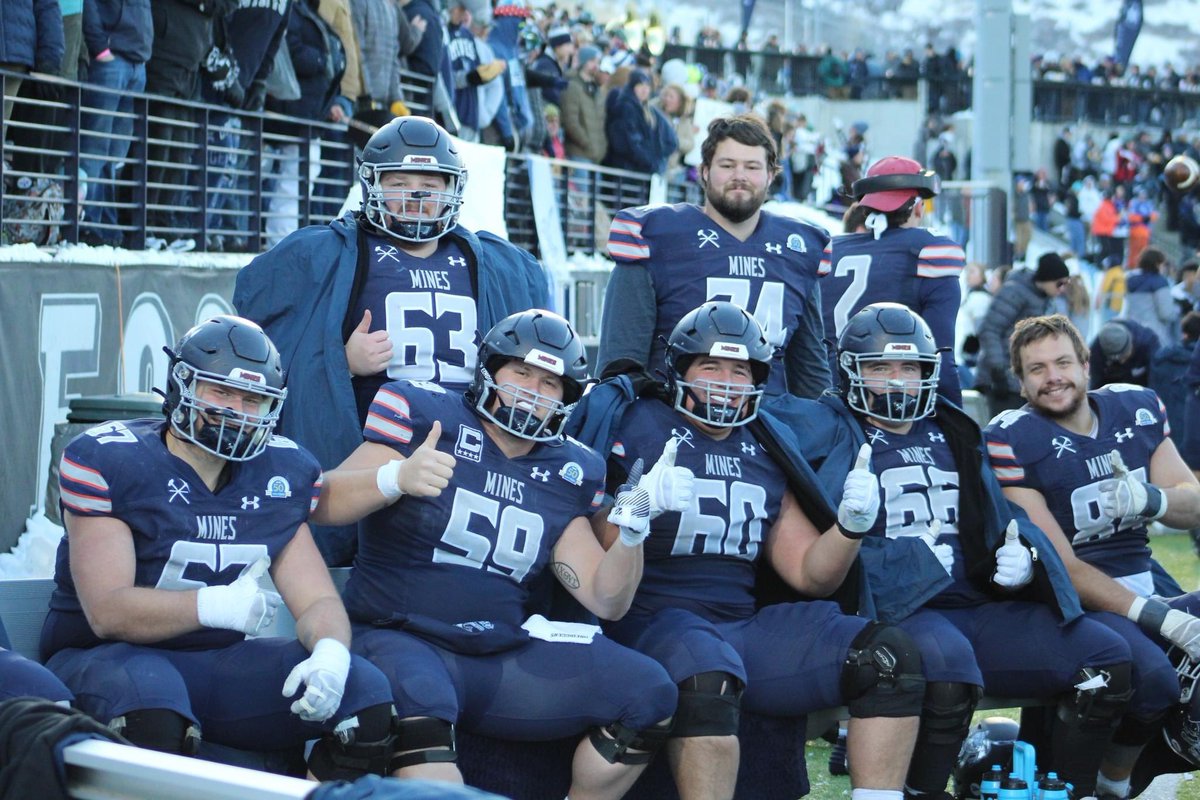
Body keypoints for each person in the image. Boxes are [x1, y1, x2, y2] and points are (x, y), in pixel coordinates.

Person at [771, 302, 1138, 799]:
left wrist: (1023, 561)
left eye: (910, 367)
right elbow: (747, 414)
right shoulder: (825, 424)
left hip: (973, 603)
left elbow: (1002, 521)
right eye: (880, 367)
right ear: (852, 371)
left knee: (1106, 658)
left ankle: (1072, 790)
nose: (897, 381)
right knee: (949, 663)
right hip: (895, 611)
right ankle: (922, 790)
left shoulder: (954, 429)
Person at [312, 309, 679, 797]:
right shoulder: (425, 415)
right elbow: (322, 502)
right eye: (521, 373)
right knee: (431, 754)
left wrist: (633, 528)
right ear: (489, 370)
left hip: (497, 650)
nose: (533, 390)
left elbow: (605, 599)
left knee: (649, 694)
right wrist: (392, 479)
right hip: (399, 634)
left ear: (568, 397)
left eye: (550, 383)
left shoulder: (572, 467)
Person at [590, 300, 926, 800]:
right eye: (711, 365)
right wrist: (636, 509)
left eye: (740, 369)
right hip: (650, 618)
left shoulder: (764, 443)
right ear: (679, 369)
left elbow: (813, 576)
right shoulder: (636, 421)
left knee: (886, 657)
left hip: (740, 626)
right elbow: (594, 544)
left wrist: (850, 527)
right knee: (708, 671)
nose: (727, 381)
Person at [41, 316, 401, 779]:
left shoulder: (282, 472)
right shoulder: (114, 459)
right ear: (182, 385)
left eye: (252, 399)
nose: (236, 410)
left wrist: (330, 652)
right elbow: (107, 613)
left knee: (364, 696)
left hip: (217, 665)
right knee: (154, 712)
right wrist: (211, 605)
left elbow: (316, 600)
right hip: (105, 657)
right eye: (222, 392)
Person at [234, 116, 550, 566]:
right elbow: (262, 345)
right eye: (399, 182)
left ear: (452, 189)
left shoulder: (489, 260)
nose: (415, 197)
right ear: (372, 184)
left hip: (470, 444)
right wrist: (338, 361)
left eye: (428, 183)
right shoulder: (329, 252)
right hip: (376, 441)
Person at [985, 314, 1200, 800]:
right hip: (1079, 602)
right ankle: (1114, 784)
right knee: (1159, 683)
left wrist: (1155, 500)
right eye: (1036, 369)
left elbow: (1192, 499)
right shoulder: (1012, 437)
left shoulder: (1135, 407)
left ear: (1086, 365)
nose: (1053, 376)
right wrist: (1163, 619)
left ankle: (1153, 760)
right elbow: (1062, 565)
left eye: (1062, 362)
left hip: (1144, 578)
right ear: (1020, 383)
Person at [598, 114, 832, 399]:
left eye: (752, 166)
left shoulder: (799, 248)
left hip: (768, 428)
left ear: (771, 175)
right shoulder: (657, 237)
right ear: (705, 171)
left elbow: (810, 372)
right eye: (728, 165)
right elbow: (621, 365)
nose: (740, 176)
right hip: (673, 424)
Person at [822, 156, 966, 405]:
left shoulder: (828, 249)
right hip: (891, 401)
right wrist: (958, 427)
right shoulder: (928, 249)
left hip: (826, 400)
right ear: (918, 207)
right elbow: (940, 356)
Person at [974, 252, 1070, 416]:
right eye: (1059, 283)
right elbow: (989, 329)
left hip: (1023, 381)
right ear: (1047, 279)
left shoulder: (1046, 301)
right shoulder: (1014, 292)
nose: (1062, 289)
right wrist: (998, 370)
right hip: (1001, 382)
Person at [1090, 318, 1160, 389]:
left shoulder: (1148, 343)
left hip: (1143, 384)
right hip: (1115, 386)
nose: (1122, 361)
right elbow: (1096, 385)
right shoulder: (1095, 352)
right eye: (1118, 359)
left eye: (1125, 356)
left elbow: (1158, 380)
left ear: (1131, 346)